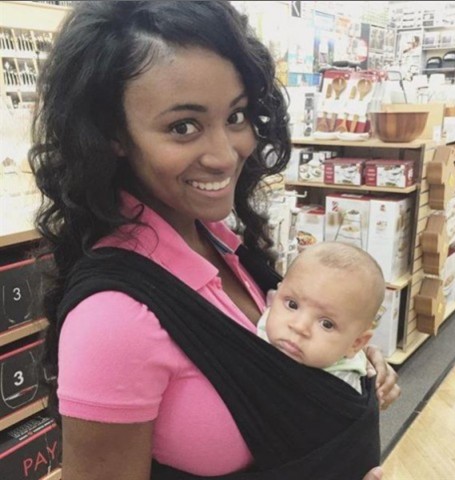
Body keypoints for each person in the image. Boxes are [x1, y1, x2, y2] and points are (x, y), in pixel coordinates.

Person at [28, 2, 399, 479]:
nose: (225, 155)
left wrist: (346, 367)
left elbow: (271, 368)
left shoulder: (220, 242)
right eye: (183, 127)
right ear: (112, 133)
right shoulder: (114, 319)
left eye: (237, 116)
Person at [257, 241, 386, 394]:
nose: (299, 327)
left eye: (326, 324)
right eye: (292, 305)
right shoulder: (267, 323)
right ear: (275, 295)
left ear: (355, 343)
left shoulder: (342, 387)